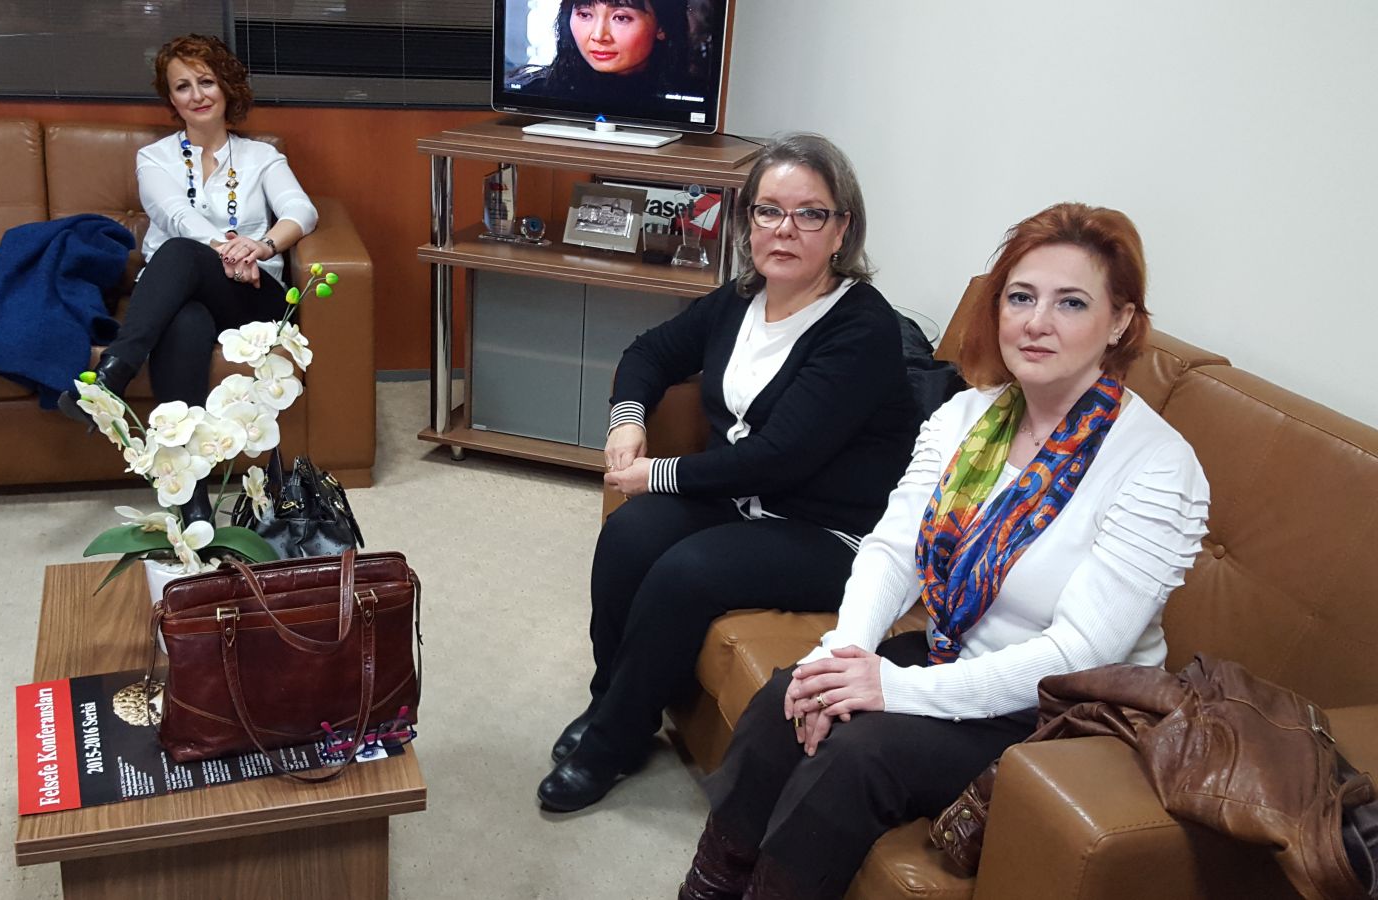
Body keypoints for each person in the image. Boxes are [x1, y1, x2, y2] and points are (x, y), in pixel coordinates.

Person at [677, 203, 1212, 899]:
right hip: (949, 654)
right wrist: (845, 653)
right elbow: (893, 548)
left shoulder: (1157, 466)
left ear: (1119, 322)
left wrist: (893, 687)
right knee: (791, 696)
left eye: (1071, 302)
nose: (1037, 322)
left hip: (1059, 717)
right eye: (1021, 297)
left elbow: (1080, 653)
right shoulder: (968, 417)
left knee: (857, 756)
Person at [536, 134, 924, 813]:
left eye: (810, 213)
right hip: (744, 500)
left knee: (688, 572)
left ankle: (612, 743)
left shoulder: (861, 327)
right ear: (747, 222)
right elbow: (649, 351)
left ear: (842, 230)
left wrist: (657, 473)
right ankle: (610, 705)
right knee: (629, 536)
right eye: (768, 210)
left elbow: (781, 456)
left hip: (830, 529)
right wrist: (627, 420)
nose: (784, 229)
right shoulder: (742, 297)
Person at [59, 33, 317, 525]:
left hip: (249, 296)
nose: (197, 95)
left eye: (206, 82)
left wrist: (261, 247)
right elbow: (176, 215)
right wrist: (227, 248)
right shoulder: (154, 158)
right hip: (182, 293)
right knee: (186, 320)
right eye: (183, 87)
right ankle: (192, 498)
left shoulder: (260, 157)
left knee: (179, 252)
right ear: (171, 99)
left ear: (227, 88)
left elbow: (300, 211)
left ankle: (112, 375)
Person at [509, 0, 689, 99]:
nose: (598, 35)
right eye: (585, 14)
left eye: (621, 18)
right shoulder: (534, 94)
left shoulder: (688, 99)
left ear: (661, 26)